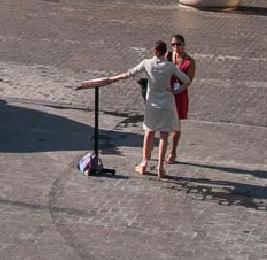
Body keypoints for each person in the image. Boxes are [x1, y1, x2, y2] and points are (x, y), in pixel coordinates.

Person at [75, 40, 186, 178]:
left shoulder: (147, 63)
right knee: (164, 135)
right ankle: (160, 167)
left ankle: (144, 163)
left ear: (156, 51)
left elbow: (130, 73)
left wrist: (113, 78)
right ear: (165, 51)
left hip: (152, 104)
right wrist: (176, 90)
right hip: (167, 103)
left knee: (149, 133)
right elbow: (186, 79)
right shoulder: (170, 66)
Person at [168, 34, 196, 163]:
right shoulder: (168, 56)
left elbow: (189, 80)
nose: (175, 47)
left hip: (179, 94)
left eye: (178, 44)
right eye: (173, 44)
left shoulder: (190, 61)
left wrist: (178, 90)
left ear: (184, 45)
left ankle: (173, 152)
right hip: (167, 92)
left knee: (176, 124)